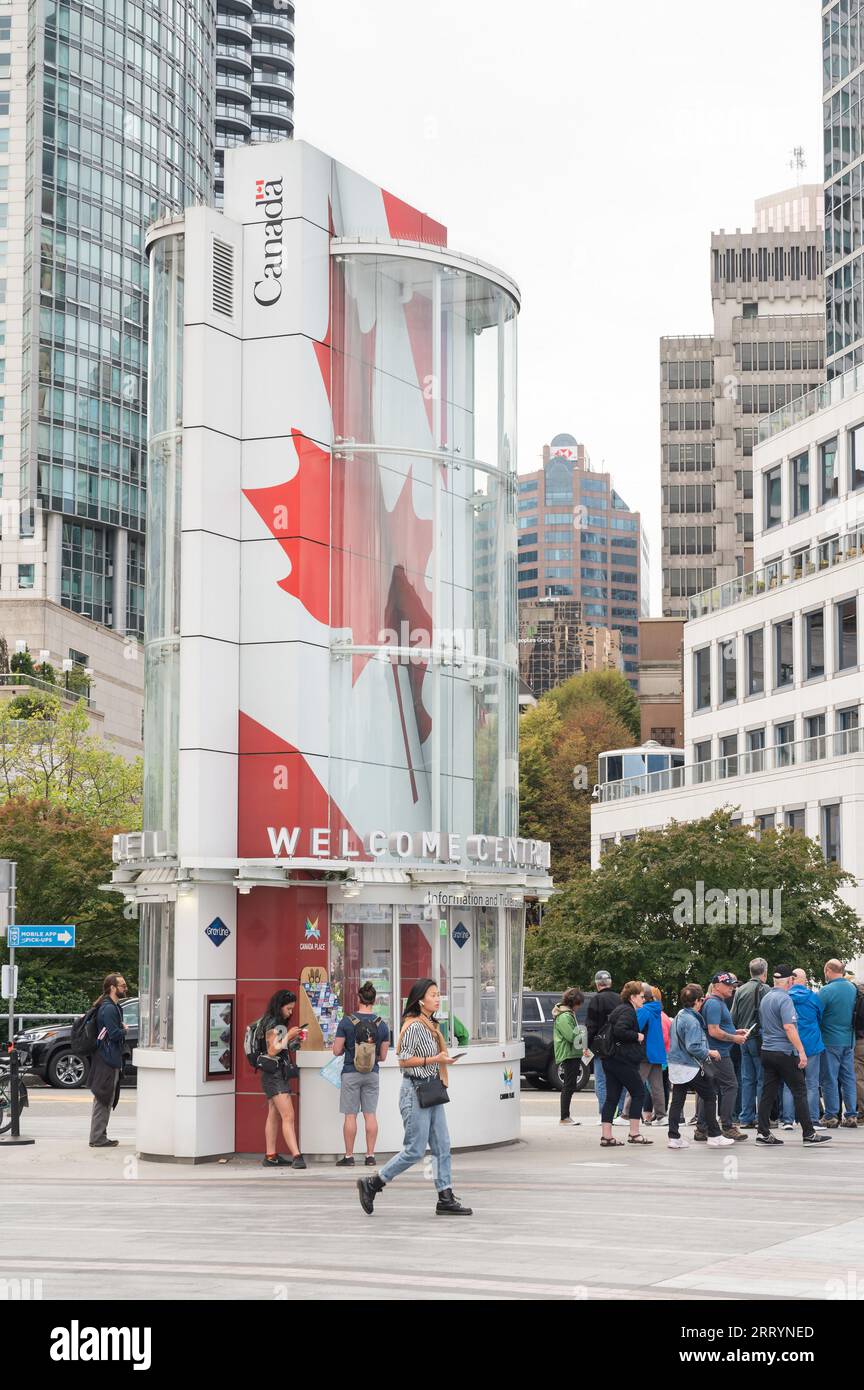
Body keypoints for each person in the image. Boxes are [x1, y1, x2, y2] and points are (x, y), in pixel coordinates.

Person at [357, 979, 471, 1216]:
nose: (438, 998)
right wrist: (436, 1060)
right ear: (420, 1001)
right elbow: (404, 1060)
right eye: (433, 994)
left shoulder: (430, 1025)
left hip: (431, 1089)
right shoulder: (414, 1026)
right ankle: (373, 1183)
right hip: (415, 1091)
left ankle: (445, 1197)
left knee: (442, 1145)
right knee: (415, 1150)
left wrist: (442, 1060)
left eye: (438, 994)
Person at [756, 966, 831, 1146]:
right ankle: (809, 1134)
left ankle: (763, 1133)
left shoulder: (766, 998)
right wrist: (801, 1051)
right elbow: (789, 1027)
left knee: (768, 1093)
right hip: (784, 1052)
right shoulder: (785, 999)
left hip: (767, 1051)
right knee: (799, 1090)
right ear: (790, 980)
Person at [666, 984, 733, 1149]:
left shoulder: (679, 1016)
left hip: (676, 1064)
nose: (702, 1002)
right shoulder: (692, 1021)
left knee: (677, 1101)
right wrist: (711, 1052)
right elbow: (693, 1047)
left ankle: (674, 1137)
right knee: (710, 1097)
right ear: (697, 1001)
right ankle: (715, 1135)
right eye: (701, 999)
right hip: (690, 1065)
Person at [332, 982, 390, 1166]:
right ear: (374, 1000)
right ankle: (370, 1156)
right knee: (370, 1114)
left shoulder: (347, 1022)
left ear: (359, 999)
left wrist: (349, 1052)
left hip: (350, 1072)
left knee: (350, 1115)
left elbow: (336, 1050)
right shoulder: (381, 1025)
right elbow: (383, 1057)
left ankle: (349, 1157)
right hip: (372, 1073)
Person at [695, 972, 748, 1142]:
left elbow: (717, 1028)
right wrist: (735, 1038)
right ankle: (727, 1126)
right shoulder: (715, 1004)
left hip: (713, 1053)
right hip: (718, 1054)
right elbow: (714, 1031)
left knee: (709, 1090)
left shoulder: (715, 1003)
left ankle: (702, 1129)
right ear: (717, 986)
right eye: (729, 984)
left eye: (733, 984)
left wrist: (734, 1031)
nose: (733, 987)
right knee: (731, 1086)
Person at [599, 981, 653, 1147]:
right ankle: (634, 1133)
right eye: (641, 997)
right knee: (638, 1093)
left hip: (610, 1059)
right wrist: (637, 1036)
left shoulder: (619, 1009)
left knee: (612, 1097)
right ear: (633, 997)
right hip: (622, 1060)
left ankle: (606, 1136)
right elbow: (620, 1031)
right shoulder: (628, 1011)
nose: (643, 1000)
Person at [259, 989, 307, 1169]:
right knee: (288, 1115)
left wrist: (293, 1042)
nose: (291, 1012)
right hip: (275, 1076)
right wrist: (290, 1036)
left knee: (274, 1113)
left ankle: (270, 1155)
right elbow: (272, 1050)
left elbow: (279, 1047)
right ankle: (296, 1155)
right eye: (288, 1008)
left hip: (273, 1074)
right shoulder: (273, 1023)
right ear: (279, 1007)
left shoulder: (274, 1022)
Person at [781, 968, 826, 1131]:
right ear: (805, 980)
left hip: (791, 1044)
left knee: (788, 1084)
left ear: (792, 980)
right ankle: (813, 1119)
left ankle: (788, 1120)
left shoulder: (785, 997)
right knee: (812, 1084)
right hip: (812, 1043)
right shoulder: (813, 997)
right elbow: (821, 1016)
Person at [88, 972, 128, 1148]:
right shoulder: (109, 1008)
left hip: (107, 1057)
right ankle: (97, 1138)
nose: (125, 988)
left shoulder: (111, 1006)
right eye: (122, 986)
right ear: (113, 988)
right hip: (107, 1059)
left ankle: (99, 1136)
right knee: (104, 1098)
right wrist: (124, 1029)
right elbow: (113, 1034)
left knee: (104, 1098)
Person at [730, 957, 770, 1128]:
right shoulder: (766, 990)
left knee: (747, 1079)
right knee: (762, 1079)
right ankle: (762, 1117)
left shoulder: (740, 990)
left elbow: (733, 1017)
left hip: (743, 1038)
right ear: (765, 972)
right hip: (760, 1039)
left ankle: (746, 1117)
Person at [819, 959, 859, 1129]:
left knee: (830, 1079)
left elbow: (816, 1014)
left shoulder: (826, 991)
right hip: (849, 1040)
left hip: (830, 1040)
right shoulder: (853, 989)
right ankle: (851, 1115)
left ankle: (831, 1115)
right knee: (849, 1078)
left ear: (828, 970)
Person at [586, 971, 621, 1121]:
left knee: (601, 1080)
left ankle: (605, 1113)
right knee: (619, 1079)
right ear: (610, 983)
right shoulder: (620, 999)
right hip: (619, 1045)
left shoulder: (596, 1000)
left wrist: (587, 1045)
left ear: (597, 984)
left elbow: (591, 1026)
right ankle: (620, 1112)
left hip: (601, 1047)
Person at [634, 983, 667, 1124]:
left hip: (645, 1053)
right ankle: (661, 1116)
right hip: (658, 1053)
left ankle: (625, 1114)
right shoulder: (656, 1009)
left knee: (635, 1083)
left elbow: (635, 1028)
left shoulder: (644, 1010)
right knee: (657, 1086)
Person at [553, 988, 585, 1126]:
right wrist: (583, 1035)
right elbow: (571, 1036)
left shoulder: (568, 1014)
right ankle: (564, 1117)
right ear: (574, 1002)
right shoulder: (565, 1016)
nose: (580, 1006)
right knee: (569, 1085)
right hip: (568, 1053)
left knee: (570, 1085)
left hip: (572, 1052)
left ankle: (565, 1116)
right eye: (579, 1003)